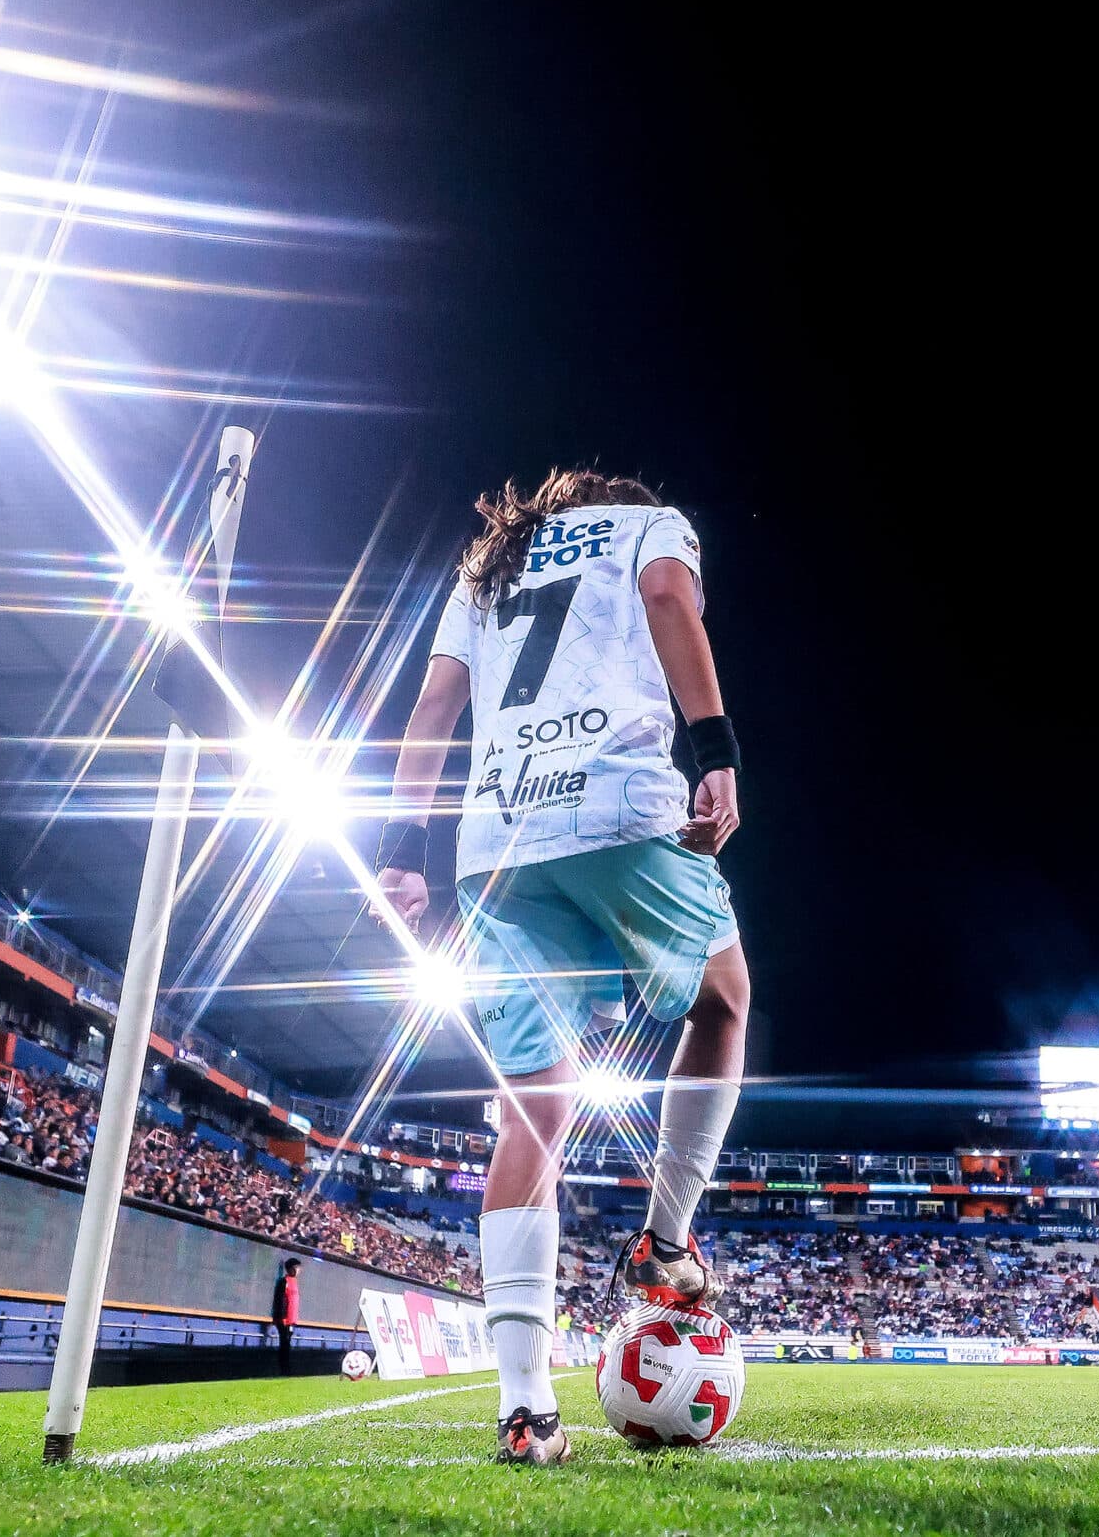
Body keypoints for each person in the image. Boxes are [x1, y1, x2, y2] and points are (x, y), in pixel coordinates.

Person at [375, 468, 748, 1467]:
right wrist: (713, 746)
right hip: (618, 802)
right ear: (615, 496)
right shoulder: (649, 523)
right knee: (722, 999)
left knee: (532, 1114)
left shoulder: (483, 569)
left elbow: (434, 704)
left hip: (495, 836)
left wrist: (404, 844)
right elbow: (669, 598)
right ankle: (664, 1238)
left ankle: (525, 1408)